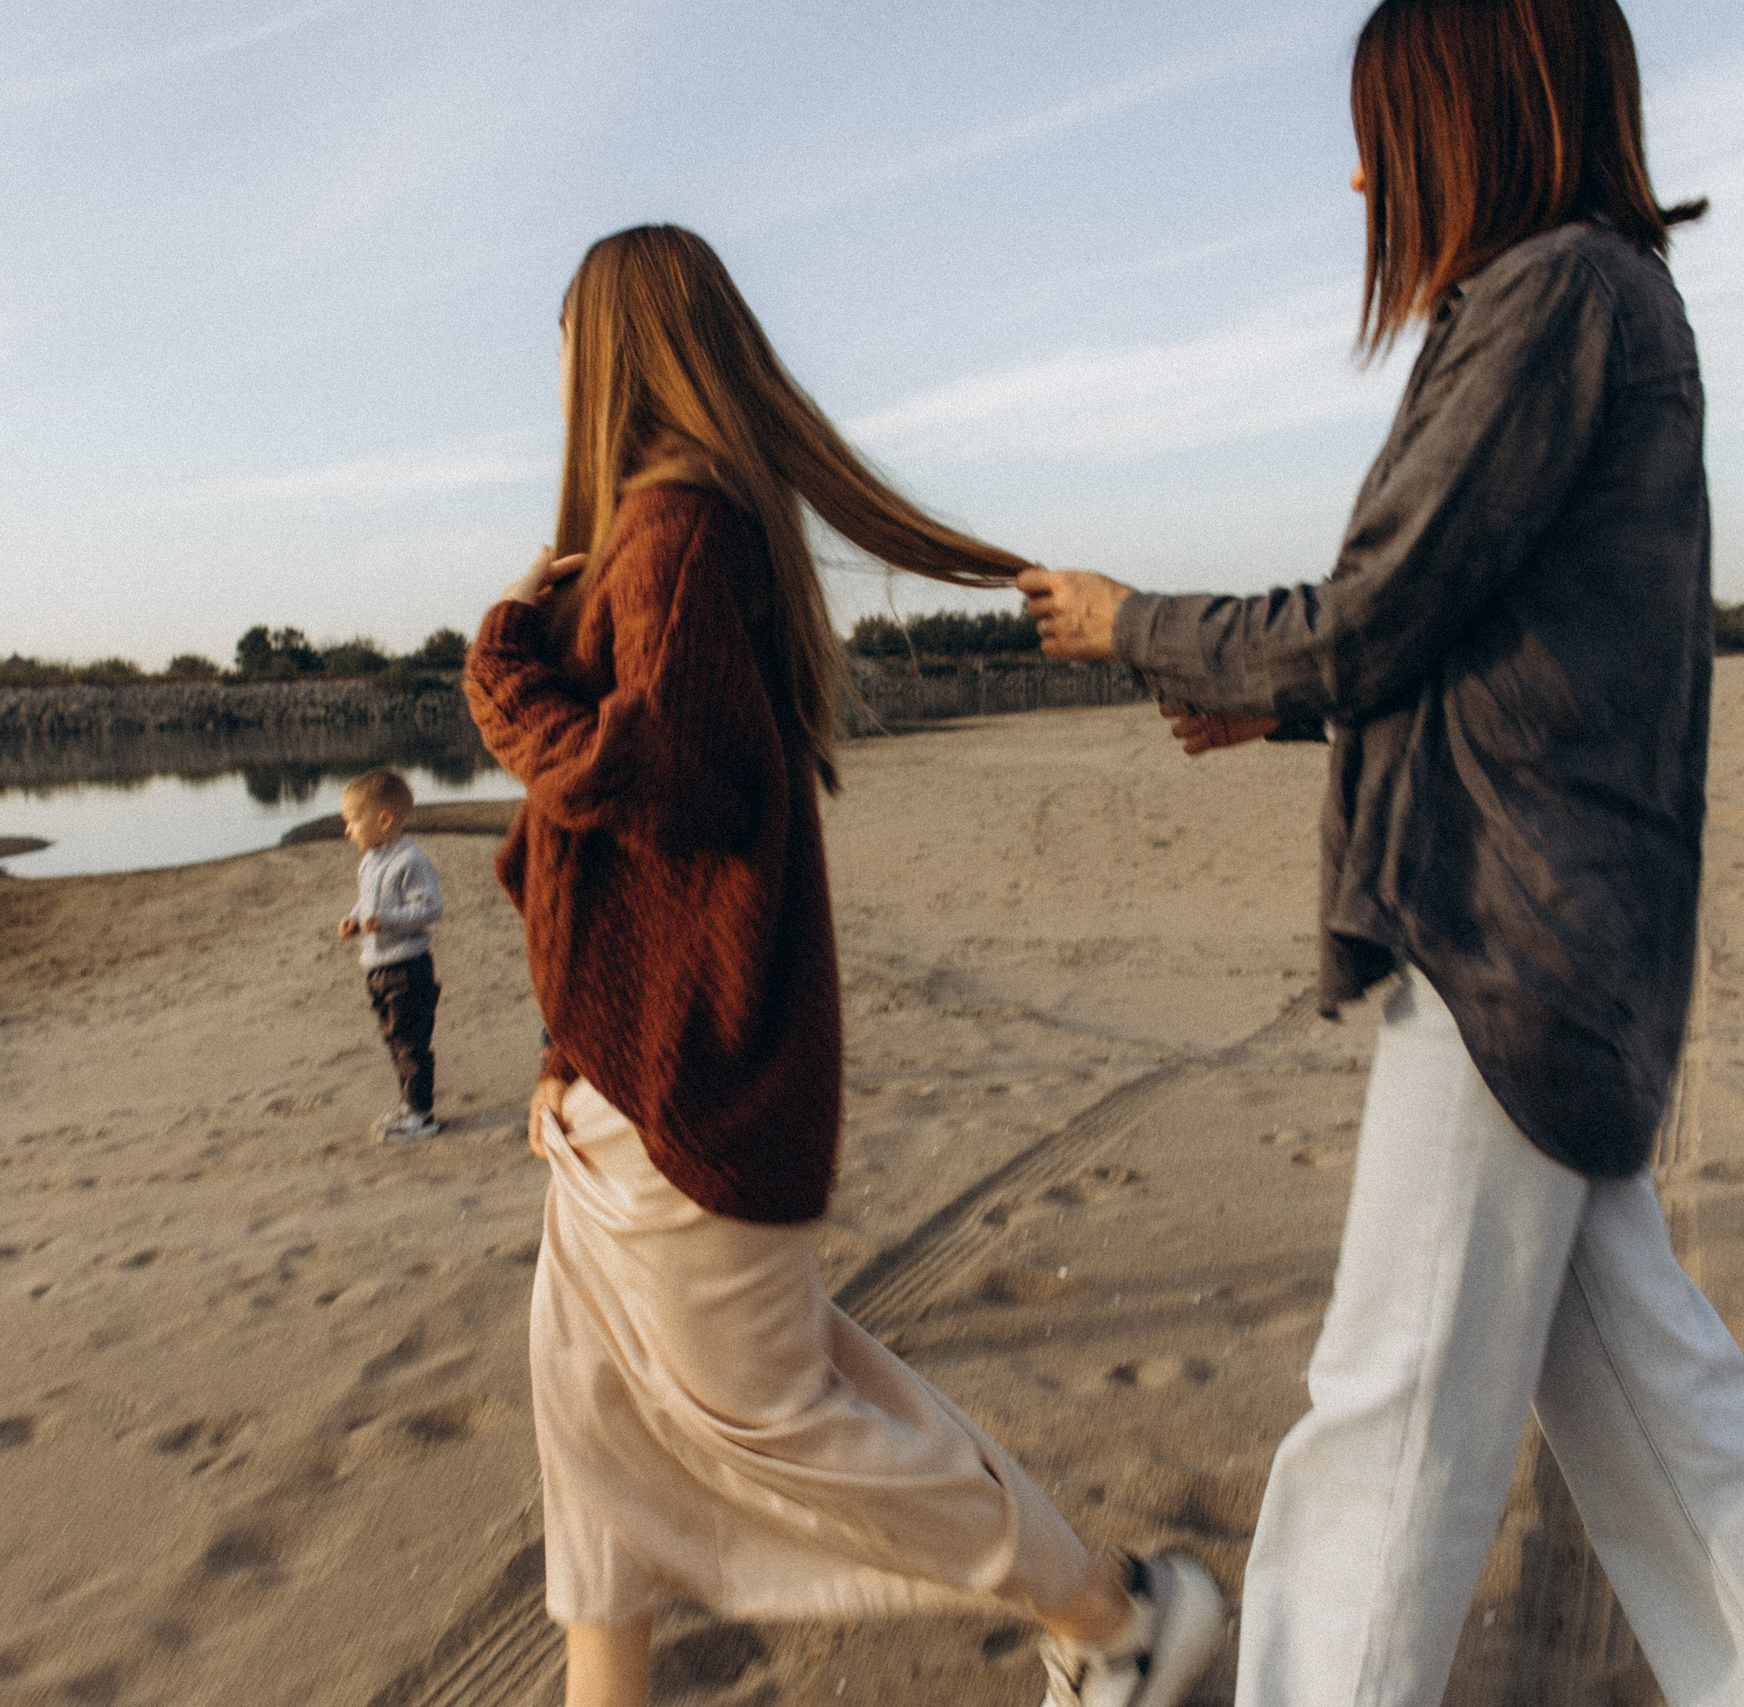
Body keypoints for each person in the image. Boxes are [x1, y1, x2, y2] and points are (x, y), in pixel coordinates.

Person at [1017, 2, 1744, 1704]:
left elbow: (1379, 611)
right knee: (1668, 1427)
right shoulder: (1590, 299)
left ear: (1473, 114)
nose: (1361, 170)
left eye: (1384, 126)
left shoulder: (1560, 296)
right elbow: (1486, 640)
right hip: (1567, 931)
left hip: (1511, 937)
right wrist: (1273, 712)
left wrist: (1139, 623)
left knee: (1389, 1429)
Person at [461, 224, 1224, 1707]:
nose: (554, 368)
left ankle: (1120, 1614)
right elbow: (627, 857)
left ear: (610, 346)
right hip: (623, 1085)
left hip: (684, 1095)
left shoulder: (678, 525)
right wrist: (569, 1049)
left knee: (788, 1419)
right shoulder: (668, 525)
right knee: (599, 1457)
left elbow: (651, 779)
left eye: (564, 338)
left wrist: (501, 671)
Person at [336, 766, 445, 1143]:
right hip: (378, 967)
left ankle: (422, 1115)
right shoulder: (370, 862)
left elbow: (430, 908)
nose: (347, 830)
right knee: (394, 1040)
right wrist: (354, 921)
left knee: (411, 1039)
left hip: (407, 967)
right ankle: (408, 1104)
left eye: (352, 821)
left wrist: (388, 921)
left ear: (383, 820)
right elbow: (367, 905)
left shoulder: (410, 861)